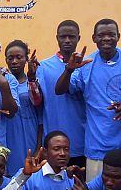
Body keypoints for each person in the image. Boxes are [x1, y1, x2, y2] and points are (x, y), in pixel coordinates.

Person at [54, 19, 121, 190]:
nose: (106, 38)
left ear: (119, 36)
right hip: (97, 148)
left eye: (111, 34)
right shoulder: (86, 65)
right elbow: (60, 90)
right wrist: (69, 70)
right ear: (94, 38)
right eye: (101, 35)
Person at [36, 20, 87, 168]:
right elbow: (37, 103)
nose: (67, 41)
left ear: (79, 38)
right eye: (63, 37)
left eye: (71, 37)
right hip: (53, 144)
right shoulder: (44, 67)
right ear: (57, 38)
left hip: (82, 142)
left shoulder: (88, 65)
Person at [3, 40, 43, 177]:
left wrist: (38, 147)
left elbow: (41, 116)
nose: (14, 61)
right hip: (8, 137)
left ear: (26, 58)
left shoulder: (33, 82)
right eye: (10, 58)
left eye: (19, 57)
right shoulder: (1, 82)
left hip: (29, 136)